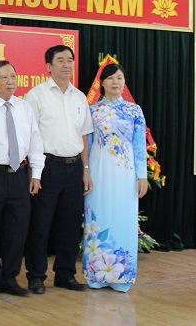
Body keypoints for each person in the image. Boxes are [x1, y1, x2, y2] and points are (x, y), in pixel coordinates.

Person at [0, 61, 45, 300]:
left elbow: (35, 142)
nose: (11, 81)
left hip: (18, 175)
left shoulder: (24, 108)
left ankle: (9, 279)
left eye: (13, 76)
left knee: (17, 230)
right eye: (4, 77)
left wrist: (36, 174)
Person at [24, 45, 93, 294]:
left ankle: (65, 275)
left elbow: (84, 135)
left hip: (74, 167)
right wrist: (34, 173)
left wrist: (86, 169)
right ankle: (36, 276)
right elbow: (30, 136)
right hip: (47, 167)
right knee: (40, 224)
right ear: (49, 66)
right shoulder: (36, 95)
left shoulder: (80, 97)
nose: (66, 64)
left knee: (70, 225)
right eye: (60, 60)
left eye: (70, 60)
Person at [82, 63, 147, 292]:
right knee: (98, 218)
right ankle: (96, 274)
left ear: (124, 82)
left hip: (125, 174)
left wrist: (142, 176)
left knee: (123, 219)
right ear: (102, 83)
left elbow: (139, 146)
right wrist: (86, 171)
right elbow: (87, 144)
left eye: (119, 78)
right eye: (110, 78)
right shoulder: (92, 111)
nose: (115, 82)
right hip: (98, 172)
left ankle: (122, 276)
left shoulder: (134, 111)